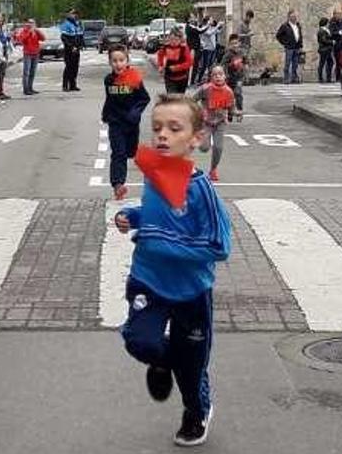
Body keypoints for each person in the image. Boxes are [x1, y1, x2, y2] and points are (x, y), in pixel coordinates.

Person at [114, 93, 231, 447]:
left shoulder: (201, 191)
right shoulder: (156, 172)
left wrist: (156, 237)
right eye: (157, 128)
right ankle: (164, 362)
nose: (162, 135)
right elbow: (155, 215)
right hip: (148, 280)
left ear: (196, 138)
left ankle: (197, 412)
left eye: (174, 128)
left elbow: (217, 246)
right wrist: (133, 217)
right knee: (139, 341)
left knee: (192, 368)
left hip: (190, 291)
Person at [102, 45, 150, 200]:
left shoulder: (135, 79)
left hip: (131, 123)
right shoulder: (108, 80)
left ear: (127, 61)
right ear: (110, 63)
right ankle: (118, 184)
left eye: (121, 60)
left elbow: (144, 98)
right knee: (118, 153)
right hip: (115, 123)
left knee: (130, 152)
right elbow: (109, 99)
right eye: (114, 61)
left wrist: (135, 113)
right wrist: (106, 114)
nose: (118, 64)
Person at [194, 66, 235, 182]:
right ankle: (198, 136)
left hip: (220, 123)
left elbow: (231, 108)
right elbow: (192, 100)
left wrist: (236, 113)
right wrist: (198, 111)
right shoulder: (205, 89)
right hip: (206, 122)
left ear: (224, 77)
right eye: (215, 75)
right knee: (204, 148)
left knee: (218, 147)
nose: (218, 77)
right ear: (211, 77)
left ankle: (213, 169)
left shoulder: (229, 92)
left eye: (220, 74)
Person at [156, 28, 193, 94]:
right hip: (169, 77)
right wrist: (160, 65)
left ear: (180, 39)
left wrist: (177, 67)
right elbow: (159, 55)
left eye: (176, 39)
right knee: (172, 97)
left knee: (179, 98)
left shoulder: (184, 48)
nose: (173, 41)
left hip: (182, 77)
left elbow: (189, 62)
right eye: (171, 39)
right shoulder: (165, 47)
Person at [16, 19, 45, 96]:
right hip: (28, 53)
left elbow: (43, 38)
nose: (31, 24)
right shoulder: (24, 31)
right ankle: (26, 89)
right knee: (26, 72)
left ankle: (30, 87)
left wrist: (38, 31)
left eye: (33, 23)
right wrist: (29, 32)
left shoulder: (36, 31)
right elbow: (22, 40)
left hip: (36, 53)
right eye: (30, 23)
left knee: (33, 72)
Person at [221, 34, 247, 117]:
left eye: (236, 43)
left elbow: (246, 63)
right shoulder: (228, 54)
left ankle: (240, 110)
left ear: (239, 43)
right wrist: (231, 65)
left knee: (238, 92)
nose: (234, 45)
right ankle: (230, 111)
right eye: (232, 44)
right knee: (229, 95)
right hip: (230, 78)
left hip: (239, 77)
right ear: (229, 45)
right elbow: (222, 65)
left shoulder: (241, 53)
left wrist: (246, 74)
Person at [275, 10, 303, 84]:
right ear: (289, 17)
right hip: (289, 47)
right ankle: (286, 78)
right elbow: (278, 35)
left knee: (295, 63)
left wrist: (300, 45)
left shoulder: (297, 25)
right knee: (287, 63)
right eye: (292, 16)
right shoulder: (285, 26)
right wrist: (284, 42)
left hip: (296, 47)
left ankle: (294, 77)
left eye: (295, 16)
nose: (294, 18)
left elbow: (300, 35)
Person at [60, 8, 84, 91]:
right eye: (73, 13)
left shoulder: (78, 23)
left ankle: (73, 85)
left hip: (76, 49)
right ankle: (65, 85)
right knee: (68, 67)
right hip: (69, 49)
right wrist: (71, 47)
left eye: (76, 13)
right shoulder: (66, 24)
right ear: (69, 14)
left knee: (75, 67)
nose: (75, 15)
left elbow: (80, 36)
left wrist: (80, 45)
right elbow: (64, 38)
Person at [195, 17, 223, 84]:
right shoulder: (204, 28)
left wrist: (221, 27)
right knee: (205, 65)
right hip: (206, 49)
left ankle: (208, 79)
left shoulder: (211, 28)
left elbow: (217, 32)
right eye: (210, 20)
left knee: (211, 65)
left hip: (212, 49)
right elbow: (209, 33)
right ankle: (199, 80)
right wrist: (217, 26)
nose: (212, 21)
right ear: (207, 21)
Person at [185, 13, 202, 87]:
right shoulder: (190, 26)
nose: (194, 18)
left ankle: (191, 82)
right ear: (189, 19)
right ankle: (189, 82)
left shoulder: (193, 26)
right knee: (192, 66)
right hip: (192, 49)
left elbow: (199, 29)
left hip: (196, 48)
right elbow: (200, 30)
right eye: (192, 17)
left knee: (195, 66)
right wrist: (208, 25)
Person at [317, 17, 335, 83]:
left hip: (328, 49)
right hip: (324, 49)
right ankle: (320, 78)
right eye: (328, 23)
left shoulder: (326, 30)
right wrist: (332, 42)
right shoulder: (322, 31)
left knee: (330, 63)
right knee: (322, 63)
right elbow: (324, 40)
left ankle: (328, 77)